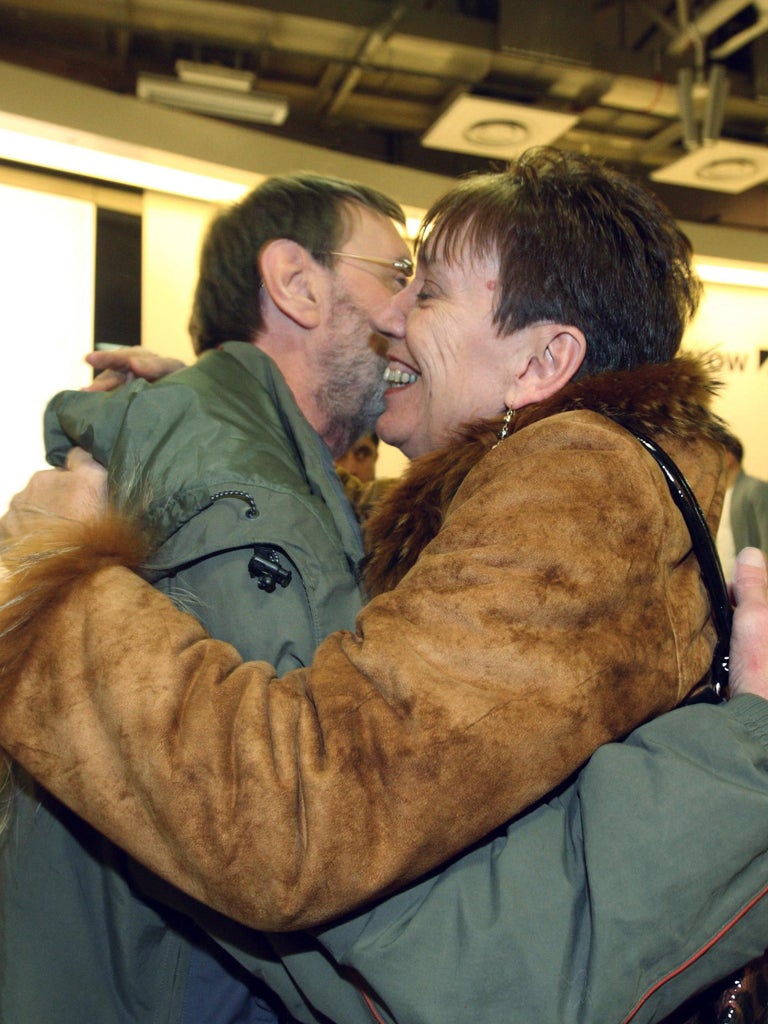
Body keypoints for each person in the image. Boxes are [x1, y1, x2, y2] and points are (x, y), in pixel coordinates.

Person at [0, 149, 759, 1021]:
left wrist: (57, 583)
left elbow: (299, 823)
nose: (390, 316)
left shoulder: (578, 484)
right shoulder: (557, 489)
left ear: (542, 362)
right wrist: (220, 420)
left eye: (426, 290)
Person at [0, 171, 413, 1024]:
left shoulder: (230, 452)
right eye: (398, 275)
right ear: (297, 284)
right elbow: (311, 818)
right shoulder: (241, 479)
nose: (411, 313)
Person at [716, 427, 768, 582]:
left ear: (729, 457)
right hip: (723, 583)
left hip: (749, 585)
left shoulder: (755, 488)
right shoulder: (716, 495)